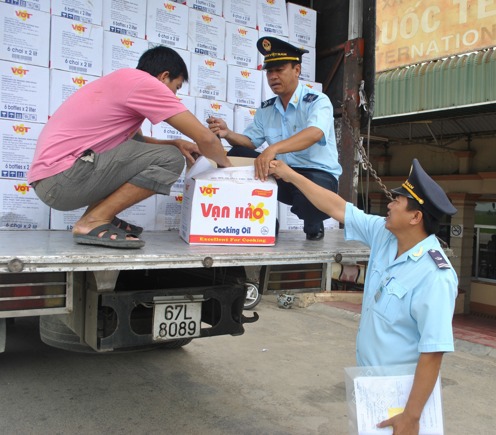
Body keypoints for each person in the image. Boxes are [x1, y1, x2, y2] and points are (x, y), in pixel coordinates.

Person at [269, 158, 458, 434]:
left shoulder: (435, 275)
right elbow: (336, 206)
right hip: (371, 388)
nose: (390, 205)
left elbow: (433, 351)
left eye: (398, 201)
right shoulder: (385, 236)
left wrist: (411, 416)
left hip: (402, 399)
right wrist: (289, 175)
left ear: (415, 217)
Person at [27, 45, 231, 249]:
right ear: (164, 76)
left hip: (53, 181)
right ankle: (94, 220)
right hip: (62, 179)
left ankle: (96, 215)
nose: (174, 96)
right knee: (171, 158)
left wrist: (176, 142)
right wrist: (230, 170)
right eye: (176, 88)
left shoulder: (124, 82)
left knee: (170, 150)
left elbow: (137, 144)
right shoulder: (146, 84)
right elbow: (207, 139)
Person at [207, 36, 341, 241]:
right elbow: (251, 142)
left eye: (279, 70)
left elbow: (315, 133)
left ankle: (313, 221)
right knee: (236, 154)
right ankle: (265, 219)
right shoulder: (267, 108)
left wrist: (273, 149)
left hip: (316, 177)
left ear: (297, 70)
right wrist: (228, 133)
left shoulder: (317, 101)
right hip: (281, 175)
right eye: (270, 71)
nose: (273, 77)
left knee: (309, 205)